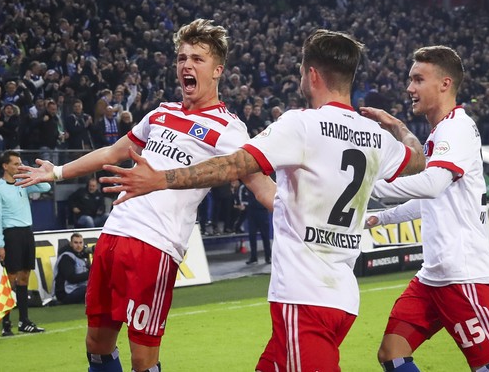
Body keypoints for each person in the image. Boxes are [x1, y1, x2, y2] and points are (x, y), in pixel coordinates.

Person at [97, 29, 425, 371]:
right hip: (342, 295)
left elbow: (234, 164)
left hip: (304, 295)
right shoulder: (375, 136)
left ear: (311, 75)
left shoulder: (301, 124)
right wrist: (400, 127)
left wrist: (161, 178)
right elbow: (418, 159)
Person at [14, 19, 276, 372]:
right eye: (182, 57)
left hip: (154, 246)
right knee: (96, 344)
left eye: (197, 59)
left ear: (217, 70)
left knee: (142, 359)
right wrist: (57, 172)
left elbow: (262, 188)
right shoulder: (161, 113)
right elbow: (111, 153)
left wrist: (310, 218)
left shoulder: (229, 129)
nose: (187, 65)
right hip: (113, 235)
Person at [365, 46, 489, 372]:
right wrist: (380, 217)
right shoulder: (441, 131)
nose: (409, 88)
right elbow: (431, 198)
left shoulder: (457, 128)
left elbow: (433, 184)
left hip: (461, 274)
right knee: (392, 354)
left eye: (418, 79)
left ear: (445, 83)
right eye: (410, 79)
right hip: (433, 276)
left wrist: (369, 186)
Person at [0, 150, 51, 336]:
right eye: (16, 164)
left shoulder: (23, 183)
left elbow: (45, 187)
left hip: (26, 233)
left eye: (20, 163)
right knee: (10, 280)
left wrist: (29, 173)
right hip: (11, 234)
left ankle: (24, 321)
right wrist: (0, 244)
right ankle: (6, 324)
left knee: (24, 277)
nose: (19, 166)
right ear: (5, 166)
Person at [54, 232, 91, 304]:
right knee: (90, 289)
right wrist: (90, 274)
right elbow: (71, 278)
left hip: (77, 289)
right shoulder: (66, 257)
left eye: (80, 243)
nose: (78, 245)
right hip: (66, 293)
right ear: (71, 244)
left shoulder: (82, 256)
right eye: (76, 243)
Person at [243, 183, 272, 265]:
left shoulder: (263, 183)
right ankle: (253, 257)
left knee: (265, 236)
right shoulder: (248, 185)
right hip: (252, 213)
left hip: (262, 212)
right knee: (252, 236)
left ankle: (268, 257)